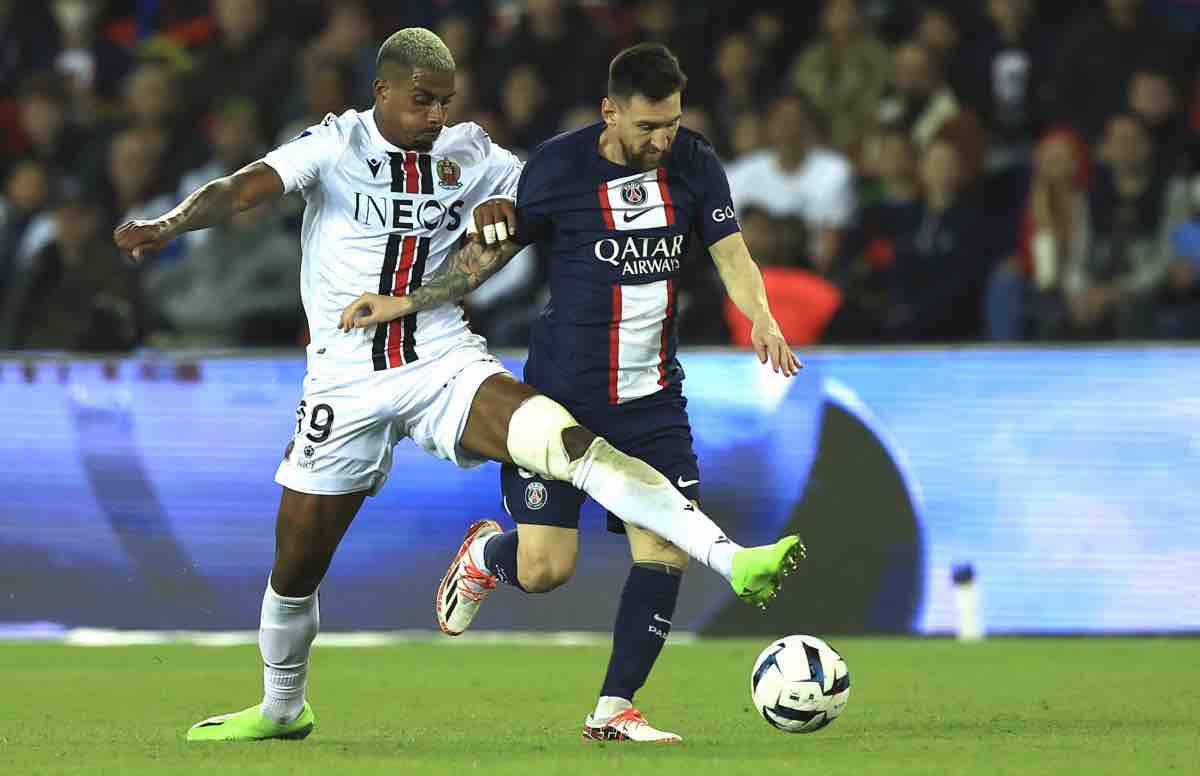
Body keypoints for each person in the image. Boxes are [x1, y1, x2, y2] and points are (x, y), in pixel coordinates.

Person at [113, 28, 803, 744]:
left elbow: (520, 204)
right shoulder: (334, 144)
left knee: (569, 444)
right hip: (344, 381)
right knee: (296, 565)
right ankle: (283, 705)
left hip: (443, 360)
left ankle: (725, 563)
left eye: (446, 102)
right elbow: (244, 187)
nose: (438, 115)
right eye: (422, 102)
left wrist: (495, 212)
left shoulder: (473, 152)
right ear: (382, 92)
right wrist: (171, 223)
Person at [339, 42, 804, 744]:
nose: (662, 139)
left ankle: (615, 708)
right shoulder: (557, 168)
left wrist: (761, 317)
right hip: (558, 404)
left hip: (652, 402)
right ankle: (486, 557)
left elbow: (730, 252)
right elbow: (489, 254)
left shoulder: (696, 162)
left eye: (672, 122)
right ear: (609, 112)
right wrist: (403, 303)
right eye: (648, 126)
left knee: (665, 550)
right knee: (545, 569)